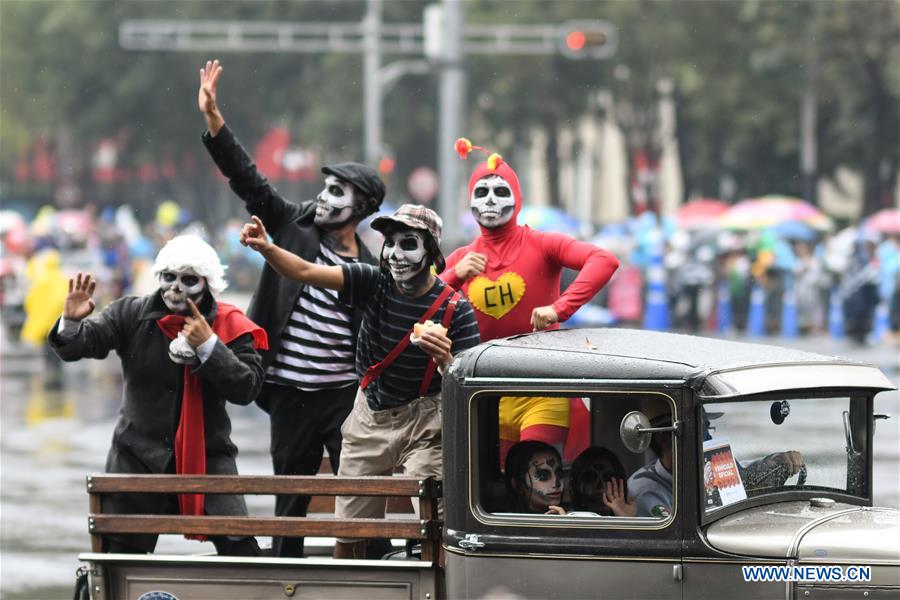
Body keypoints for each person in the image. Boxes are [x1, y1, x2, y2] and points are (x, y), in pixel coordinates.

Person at [198, 59, 384, 557]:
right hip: (289, 393)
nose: (324, 198)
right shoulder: (293, 224)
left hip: (344, 394)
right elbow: (249, 182)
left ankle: (373, 569)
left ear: (363, 207)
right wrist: (215, 121)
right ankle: (287, 575)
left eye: (338, 192)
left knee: (360, 490)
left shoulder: (369, 270)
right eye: (325, 188)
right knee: (291, 497)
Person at [239, 204, 481, 559]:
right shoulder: (373, 282)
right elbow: (306, 271)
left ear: (431, 251)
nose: (396, 254)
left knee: (437, 525)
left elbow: (467, 383)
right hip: (371, 414)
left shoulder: (454, 309)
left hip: (427, 422)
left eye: (408, 243)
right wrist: (266, 247)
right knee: (350, 529)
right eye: (390, 243)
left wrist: (445, 359)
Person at [48, 235, 267, 555]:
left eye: (188, 280)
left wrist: (208, 346)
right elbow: (82, 344)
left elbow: (247, 389)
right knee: (117, 559)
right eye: (169, 277)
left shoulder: (228, 324)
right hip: (136, 459)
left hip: (209, 460)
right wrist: (71, 322)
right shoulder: (130, 313)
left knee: (243, 554)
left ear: (207, 284)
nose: (176, 288)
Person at [442, 139, 619, 464]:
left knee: (536, 477)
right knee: (494, 490)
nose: (491, 200)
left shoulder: (542, 244)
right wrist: (454, 274)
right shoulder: (460, 259)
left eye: (500, 191)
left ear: (517, 197)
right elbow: (420, 304)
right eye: (481, 192)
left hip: (541, 386)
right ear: (470, 201)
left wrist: (558, 309)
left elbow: (603, 260)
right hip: (484, 393)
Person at [504, 441, 566, 515]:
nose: (556, 483)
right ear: (519, 485)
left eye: (559, 474)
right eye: (543, 476)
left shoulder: (572, 515)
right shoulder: (502, 523)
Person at [569, 446, 634, 517]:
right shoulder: (567, 520)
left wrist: (625, 519)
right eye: (590, 477)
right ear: (576, 485)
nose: (600, 486)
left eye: (608, 478)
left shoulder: (625, 517)